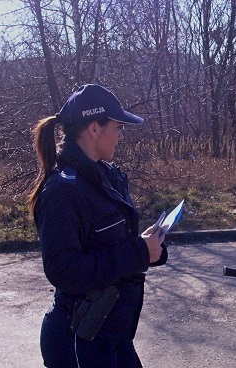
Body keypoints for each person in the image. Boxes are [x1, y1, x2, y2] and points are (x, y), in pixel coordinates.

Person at [27, 84, 167, 368]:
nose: (120, 135)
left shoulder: (104, 176)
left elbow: (106, 245)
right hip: (78, 340)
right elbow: (64, 270)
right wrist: (139, 252)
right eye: (117, 127)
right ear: (94, 128)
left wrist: (148, 247)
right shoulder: (63, 191)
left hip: (110, 334)